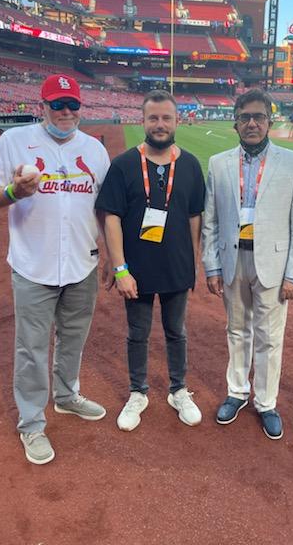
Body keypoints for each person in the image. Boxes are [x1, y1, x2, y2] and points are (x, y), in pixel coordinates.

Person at [0, 74, 111, 465]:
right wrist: (14, 192)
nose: (66, 112)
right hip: (34, 265)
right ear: (42, 107)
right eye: (57, 105)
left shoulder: (95, 151)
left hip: (81, 263)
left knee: (73, 338)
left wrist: (112, 259)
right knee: (31, 350)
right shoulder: (15, 141)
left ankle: (66, 397)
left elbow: (104, 210)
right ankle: (32, 423)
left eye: (72, 105)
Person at [95, 89, 205, 432]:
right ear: (142, 121)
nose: (159, 124)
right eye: (153, 118)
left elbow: (194, 217)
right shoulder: (125, 164)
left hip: (176, 266)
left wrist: (193, 261)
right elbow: (110, 216)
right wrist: (120, 268)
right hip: (136, 270)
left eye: (166, 118)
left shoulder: (189, 165)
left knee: (177, 332)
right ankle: (138, 392)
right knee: (138, 334)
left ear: (177, 121)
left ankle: (177, 390)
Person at [202, 88, 293, 440]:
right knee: (236, 330)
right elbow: (211, 221)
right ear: (235, 122)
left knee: (269, 336)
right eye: (245, 116)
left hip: (273, 264)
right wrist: (212, 266)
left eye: (259, 117)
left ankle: (266, 401)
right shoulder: (218, 163)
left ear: (269, 121)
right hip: (234, 260)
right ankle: (237, 391)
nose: (252, 123)